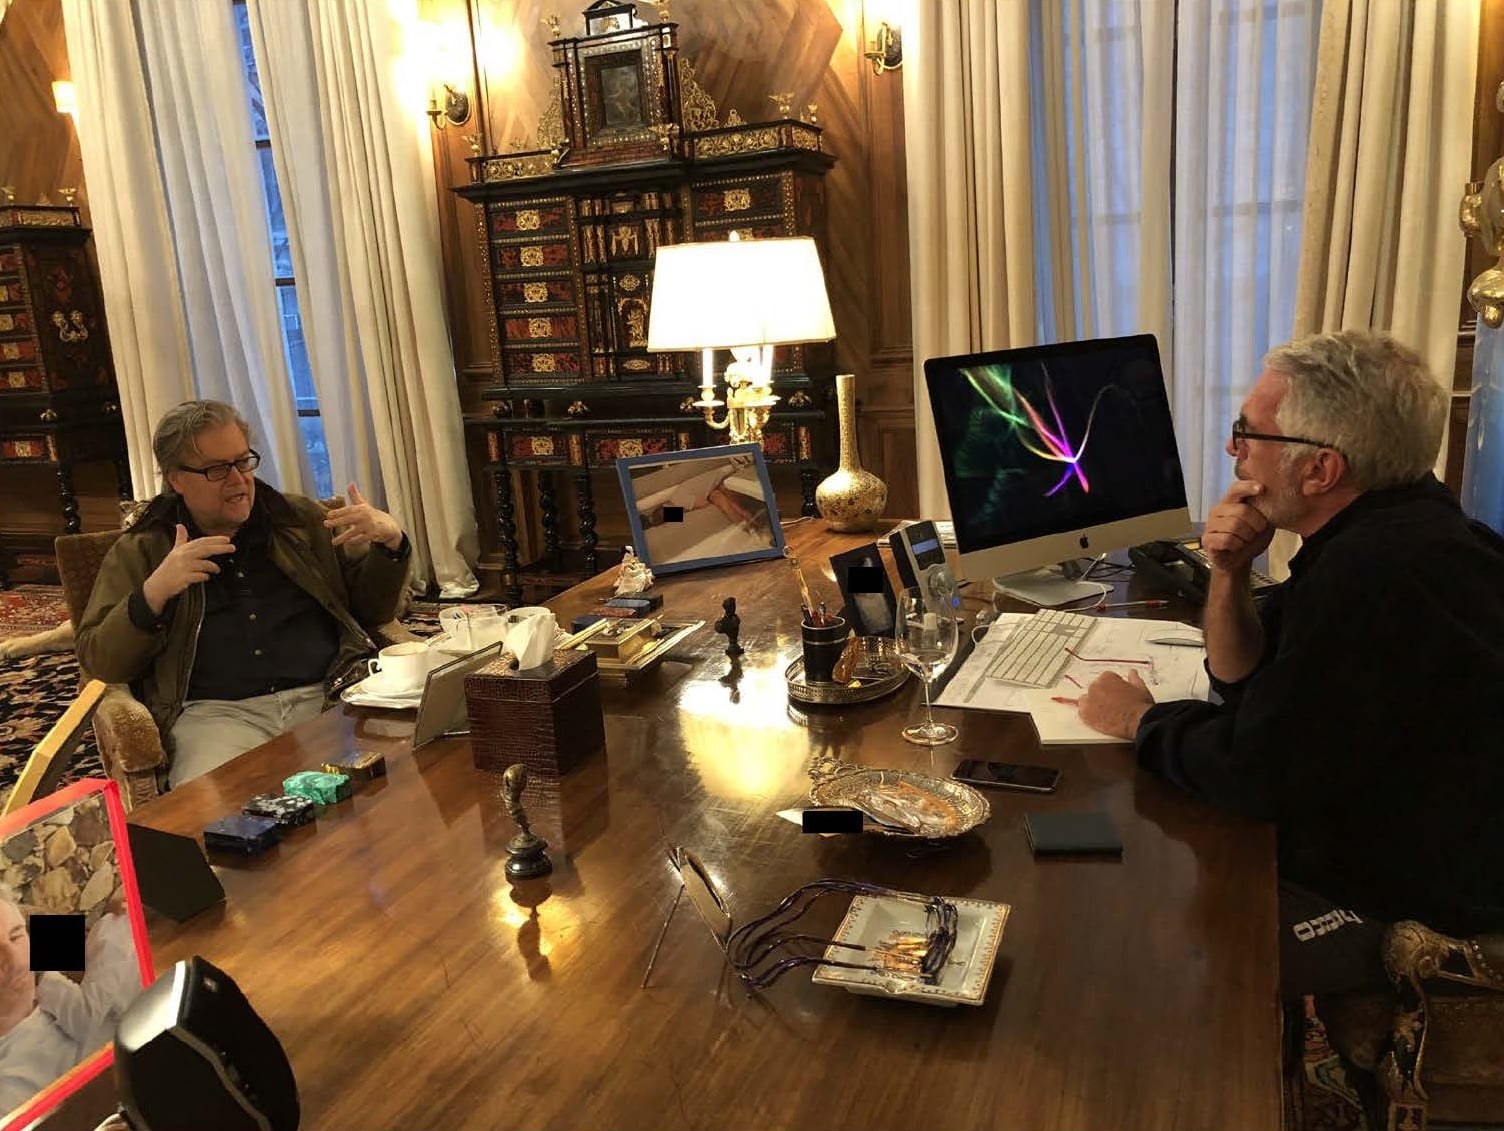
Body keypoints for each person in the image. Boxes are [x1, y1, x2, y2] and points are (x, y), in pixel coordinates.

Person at [1076, 330, 1504, 997]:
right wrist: (1226, 570)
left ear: (1320, 471)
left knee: (1146, 920)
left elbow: (1257, 773)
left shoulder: (1374, 575)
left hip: (1428, 903)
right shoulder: (1398, 519)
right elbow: (1246, 680)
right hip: (1412, 838)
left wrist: (1140, 719)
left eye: (1248, 432)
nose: (1232, 450)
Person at [75, 400, 412, 788]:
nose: (238, 480)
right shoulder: (144, 549)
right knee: (220, 825)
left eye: (243, 461)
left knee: (399, 787)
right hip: (217, 717)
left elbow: (370, 612)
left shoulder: (298, 521)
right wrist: (153, 593)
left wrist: (391, 546)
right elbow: (99, 661)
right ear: (176, 480)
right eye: (217, 470)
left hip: (327, 696)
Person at [0, 894, 141, 1117]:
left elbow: (102, 930)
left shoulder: (38, 951)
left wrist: (112, 912)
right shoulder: (10, 1088)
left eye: (16, 936)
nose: (15, 960)